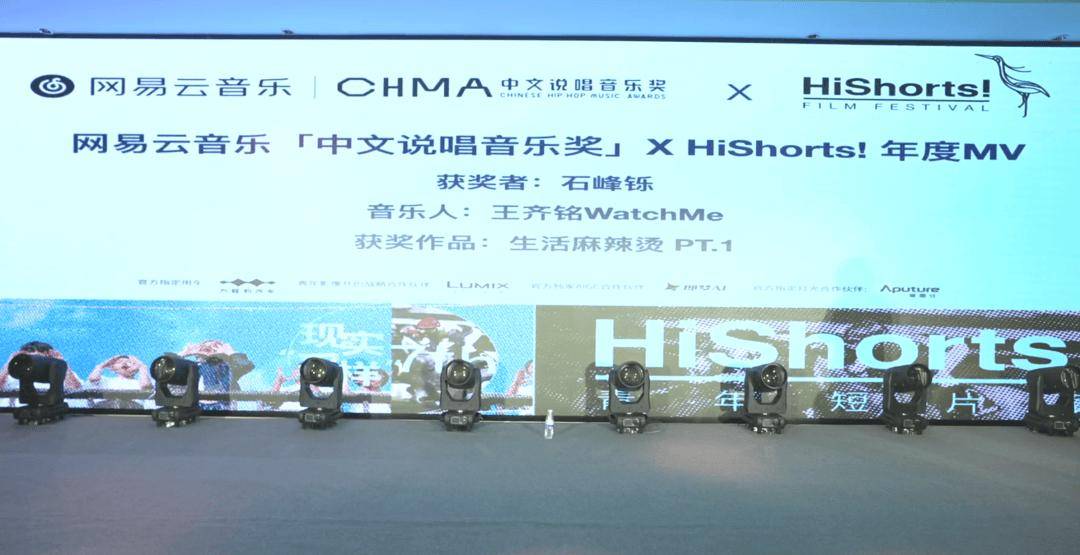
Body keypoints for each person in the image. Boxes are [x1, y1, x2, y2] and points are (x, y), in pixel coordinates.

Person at [0, 341, 82, 407]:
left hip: (54, 407)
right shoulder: (16, 375)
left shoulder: (61, 373)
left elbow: (77, 391)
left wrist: (61, 363)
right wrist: (9, 364)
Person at [85, 355, 152, 409]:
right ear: (113, 368)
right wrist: (102, 366)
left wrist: (142, 367)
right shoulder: (105, 380)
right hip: (104, 410)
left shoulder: (139, 383)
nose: (124, 363)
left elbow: (146, 386)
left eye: (129, 362)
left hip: (130, 411)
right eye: (120, 362)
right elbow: (93, 379)